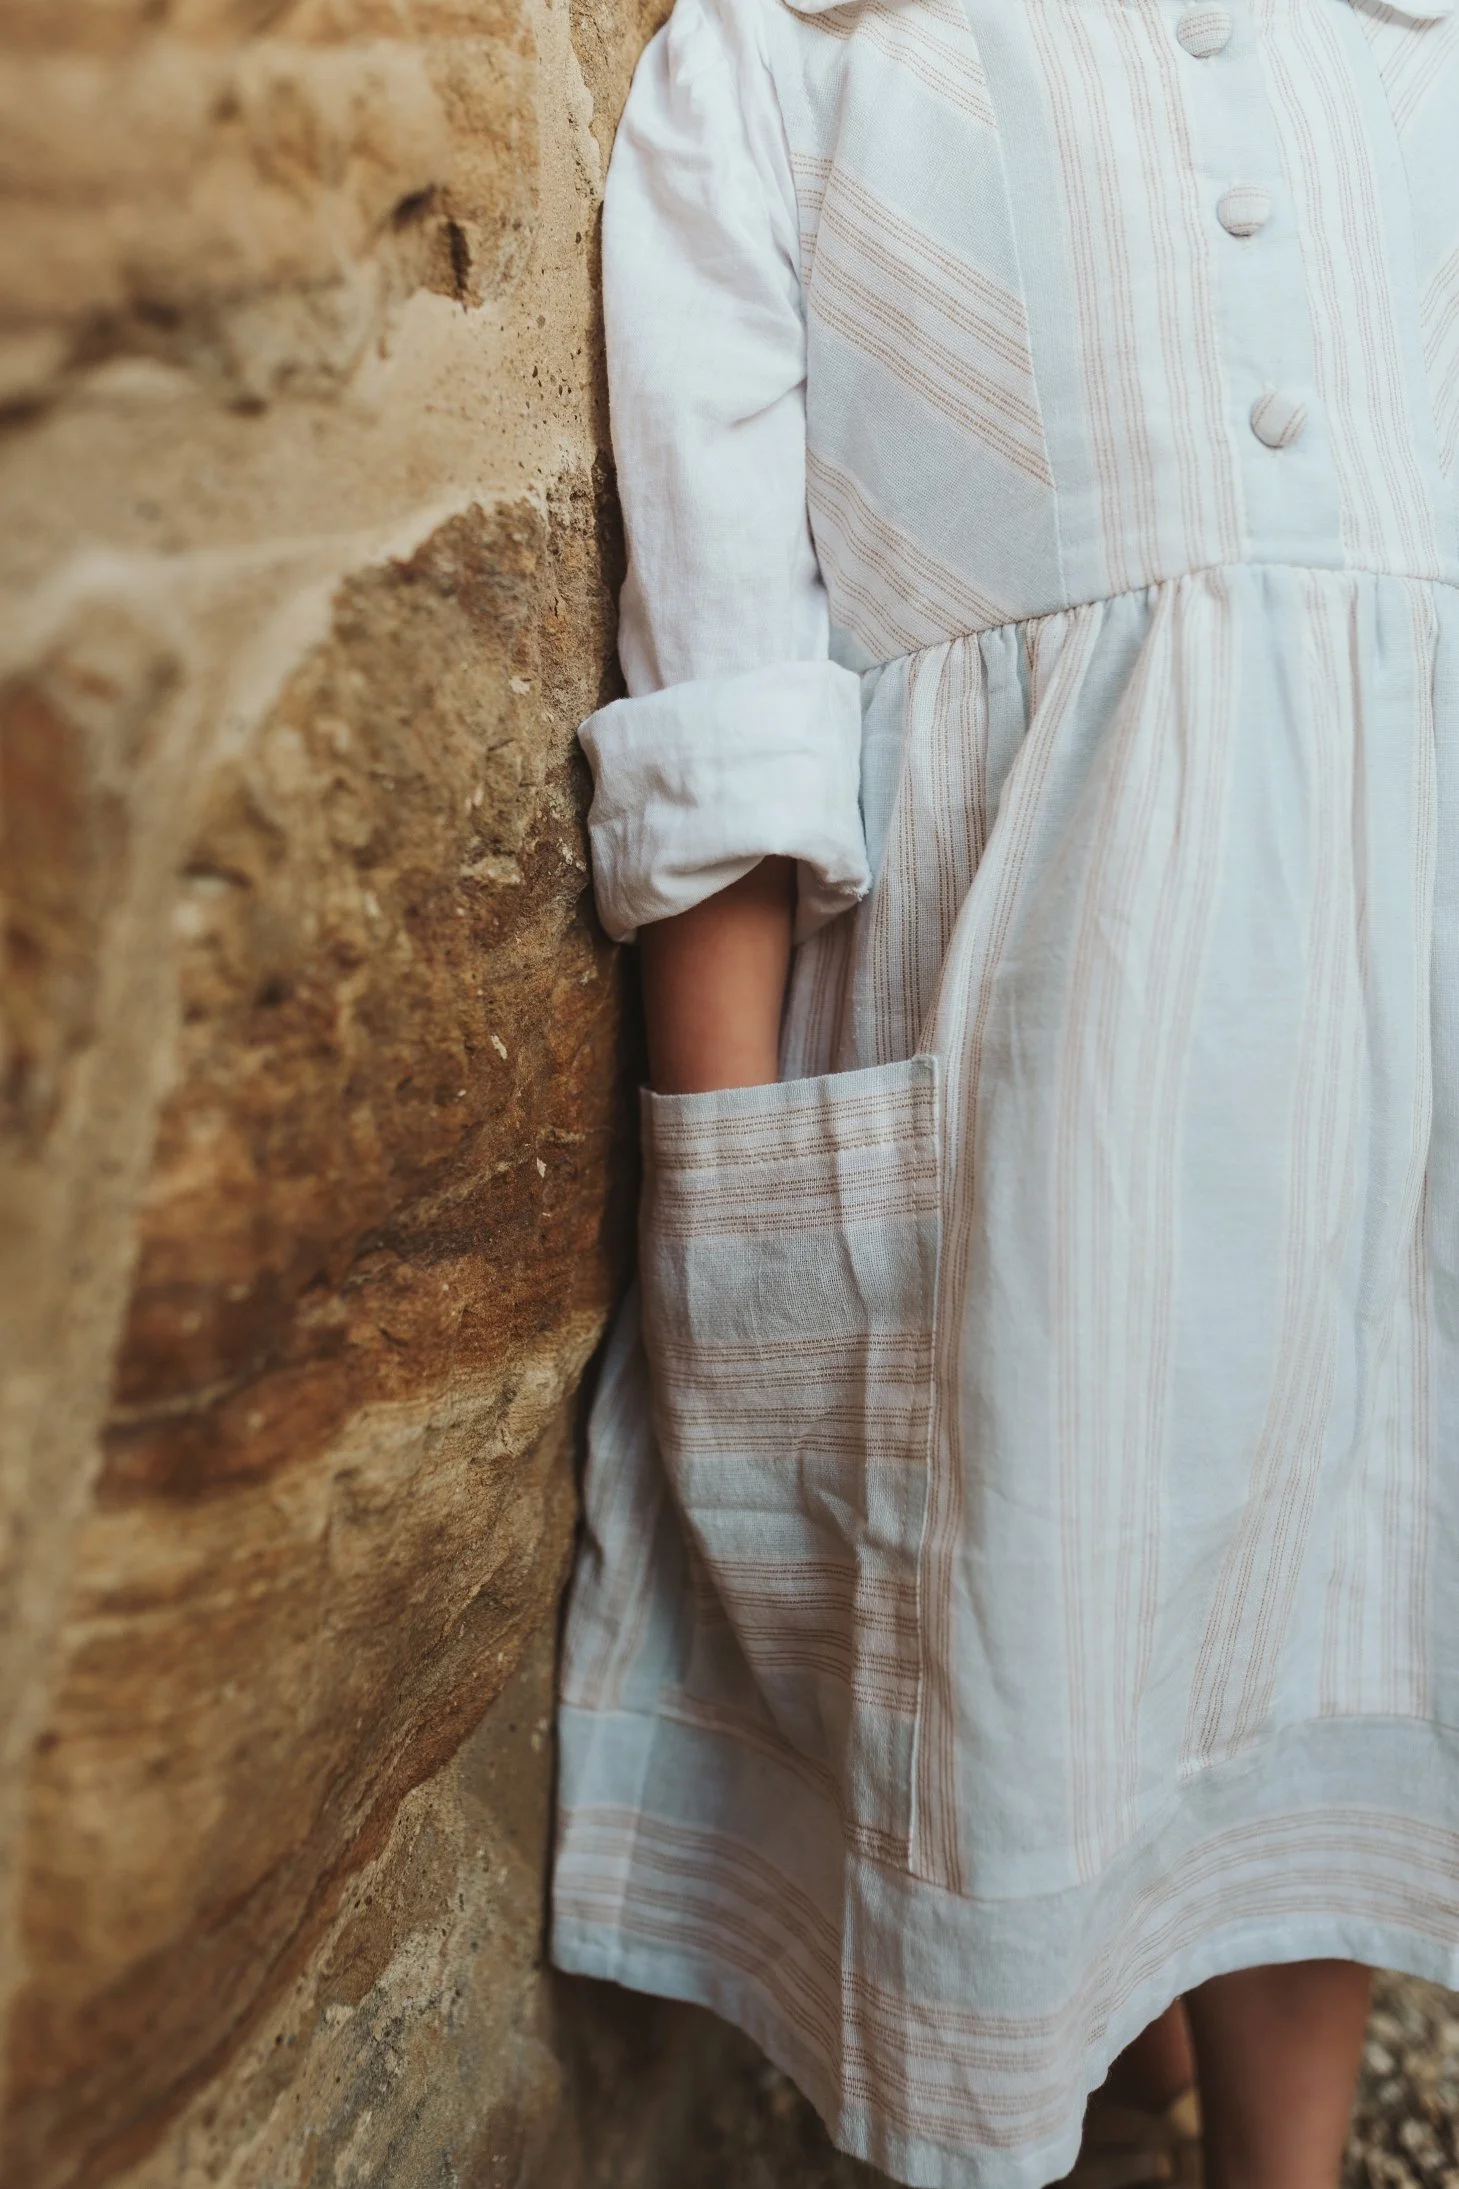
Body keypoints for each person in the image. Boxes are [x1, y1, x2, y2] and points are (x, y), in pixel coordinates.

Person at [548, 1, 1459, 2185]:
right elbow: (730, 680)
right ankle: (1038, 2076)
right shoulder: (786, 69)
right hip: (1040, 1082)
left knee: (1326, 1582)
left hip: (1384, 1037)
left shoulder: (1408, 59)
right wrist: (737, 1194)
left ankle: (1283, 2150)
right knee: (1025, 1644)